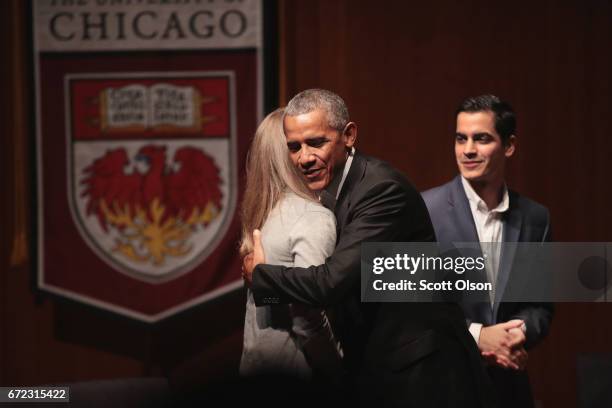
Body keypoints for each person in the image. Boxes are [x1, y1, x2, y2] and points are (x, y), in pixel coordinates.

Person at [244, 89, 495, 407]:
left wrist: (261, 275)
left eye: (316, 142)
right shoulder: (325, 192)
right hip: (382, 365)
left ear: (349, 135)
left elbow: (330, 283)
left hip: (424, 373)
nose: (304, 158)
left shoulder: (380, 190)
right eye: (294, 147)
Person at [422, 95, 553, 408]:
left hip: (508, 388)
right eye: (460, 138)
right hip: (444, 386)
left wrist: (516, 333)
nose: (468, 150)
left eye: (481, 139)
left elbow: (541, 306)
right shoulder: (424, 210)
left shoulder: (536, 217)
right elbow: (410, 308)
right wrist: (478, 336)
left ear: (508, 146)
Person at [238, 108, 343, 383]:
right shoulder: (311, 217)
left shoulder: (268, 216)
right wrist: (338, 370)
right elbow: (306, 315)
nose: (308, 155)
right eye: (296, 145)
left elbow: (275, 303)